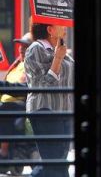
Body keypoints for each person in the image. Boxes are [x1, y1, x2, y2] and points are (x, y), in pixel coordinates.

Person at [25, 22, 74, 177]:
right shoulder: (36, 48)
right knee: (55, 160)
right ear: (50, 29)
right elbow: (44, 83)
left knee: (58, 161)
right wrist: (58, 58)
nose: (65, 26)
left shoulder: (59, 48)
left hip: (64, 111)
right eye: (60, 24)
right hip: (45, 110)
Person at [0, 33, 32, 159]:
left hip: (20, 104)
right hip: (7, 102)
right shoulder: (17, 64)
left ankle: (4, 150)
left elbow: (24, 89)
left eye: (25, 46)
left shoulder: (31, 66)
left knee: (4, 108)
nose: (21, 49)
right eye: (20, 46)